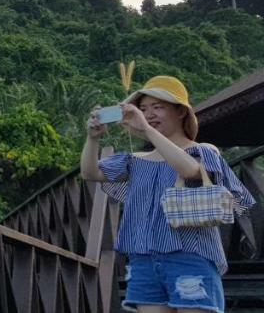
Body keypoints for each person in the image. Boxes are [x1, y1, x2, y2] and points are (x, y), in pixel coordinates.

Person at [80, 75, 255, 313]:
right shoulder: (136, 160)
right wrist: (92, 139)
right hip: (142, 261)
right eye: (143, 109)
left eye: (157, 107)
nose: (149, 114)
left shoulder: (202, 151)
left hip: (188, 257)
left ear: (181, 111)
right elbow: (90, 172)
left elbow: (190, 170)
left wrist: (147, 131)